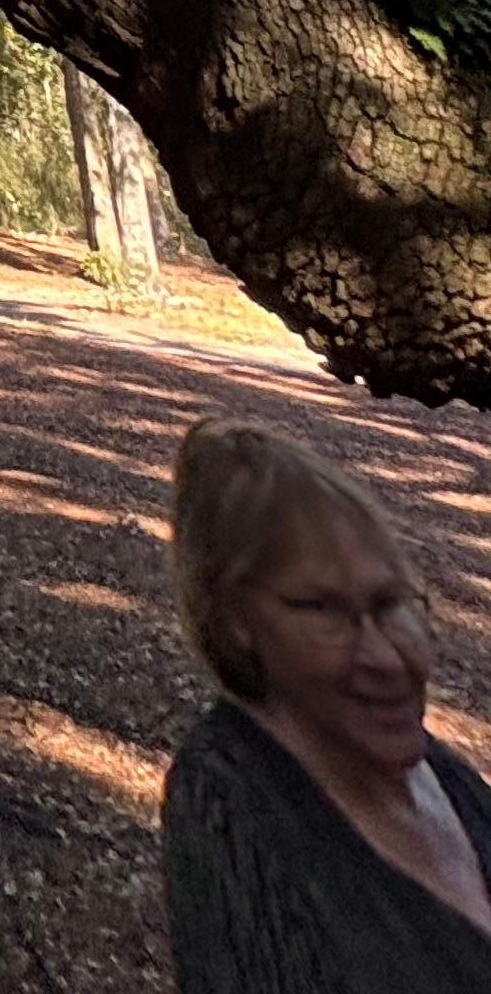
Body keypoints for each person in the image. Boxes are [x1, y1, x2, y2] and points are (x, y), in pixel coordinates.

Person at [165, 417, 491, 989]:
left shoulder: (450, 783)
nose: (387, 658)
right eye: (326, 612)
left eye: (392, 604)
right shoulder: (230, 799)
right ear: (236, 620)